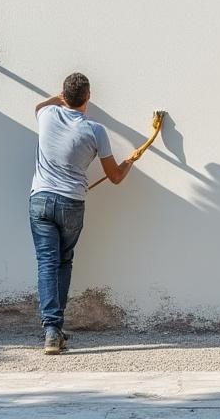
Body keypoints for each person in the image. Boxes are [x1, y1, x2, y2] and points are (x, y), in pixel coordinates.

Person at [30, 72, 139, 355]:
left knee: (46, 263)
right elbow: (114, 177)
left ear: (63, 96)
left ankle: (52, 330)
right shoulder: (96, 131)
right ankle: (55, 330)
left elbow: (40, 105)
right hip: (70, 204)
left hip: (40, 200)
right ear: (88, 98)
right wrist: (129, 161)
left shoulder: (48, 114)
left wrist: (62, 96)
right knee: (63, 261)